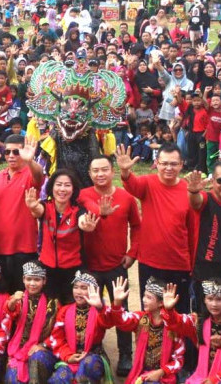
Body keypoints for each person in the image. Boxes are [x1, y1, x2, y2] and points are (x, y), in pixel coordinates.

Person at [78, 154, 141, 376]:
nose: (100, 174)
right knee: (92, 311)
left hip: (117, 265)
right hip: (91, 266)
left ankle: (125, 353)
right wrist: (99, 211)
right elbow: (88, 205)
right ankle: (95, 347)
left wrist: (133, 252)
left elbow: (137, 225)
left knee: (120, 310)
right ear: (89, 174)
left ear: (112, 171)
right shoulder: (84, 195)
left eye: (104, 169)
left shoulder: (126, 197)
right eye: (95, 170)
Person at [116, 143, 196, 314]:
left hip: (179, 263)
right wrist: (124, 171)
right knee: (150, 311)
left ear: (181, 164)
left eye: (173, 164)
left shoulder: (188, 190)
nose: (168, 168)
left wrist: (192, 263)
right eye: (164, 163)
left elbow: (192, 230)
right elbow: (132, 185)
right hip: (150, 262)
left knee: (179, 311)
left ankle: (178, 342)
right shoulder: (148, 183)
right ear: (157, 163)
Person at [24, 169, 99, 304]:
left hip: (73, 270)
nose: (62, 189)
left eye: (67, 185)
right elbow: (38, 211)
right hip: (48, 269)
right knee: (50, 310)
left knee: (71, 309)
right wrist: (32, 207)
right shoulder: (45, 206)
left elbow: (82, 221)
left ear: (73, 189)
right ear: (52, 187)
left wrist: (86, 225)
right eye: (58, 184)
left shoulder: (78, 210)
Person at [29, 270, 115, 384]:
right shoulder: (65, 310)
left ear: (94, 290)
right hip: (69, 356)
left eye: (84, 288)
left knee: (87, 365)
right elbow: (57, 337)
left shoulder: (100, 311)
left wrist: (100, 308)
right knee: (55, 375)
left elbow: (109, 322)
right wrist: (68, 356)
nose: (78, 292)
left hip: (92, 356)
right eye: (76, 287)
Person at [101, 277, 185, 384]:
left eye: (149, 297)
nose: (144, 300)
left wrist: (161, 372)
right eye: (144, 295)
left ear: (161, 303)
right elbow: (122, 321)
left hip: (164, 376)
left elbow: (179, 360)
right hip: (141, 372)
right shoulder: (142, 319)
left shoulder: (173, 327)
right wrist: (117, 302)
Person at [0, 261, 60, 384]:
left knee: (37, 359)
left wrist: (42, 346)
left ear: (44, 281)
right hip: (18, 352)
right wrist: (12, 303)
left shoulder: (54, 304)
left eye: (37, 280)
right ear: (23, 279)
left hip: (43, 352)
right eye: (29, 279)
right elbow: (8, 318)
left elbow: (58, 332)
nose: (32, 284)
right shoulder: (17, 299)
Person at [0, 134, 44, 292]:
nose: (11, 156)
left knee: (23, 296)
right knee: (2, 297)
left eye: (16, 152)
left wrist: (29, 160)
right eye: (7, 152)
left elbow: (39, 176)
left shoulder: (30, 174)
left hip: (24, 247)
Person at [161, 278, 221, 384]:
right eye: (210, 299)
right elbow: (177, 323)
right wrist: (169, 310)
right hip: (202, 377)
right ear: (204, 300)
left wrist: (215, 380)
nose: (214, 304)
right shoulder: (199, 322)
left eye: (219, 299)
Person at [185, 166, 221, 311]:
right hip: (206, 270)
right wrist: (194, 191)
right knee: (202, 316)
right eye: (220, 180)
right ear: (212, 181)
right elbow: (196, 202)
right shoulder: (207, 199)